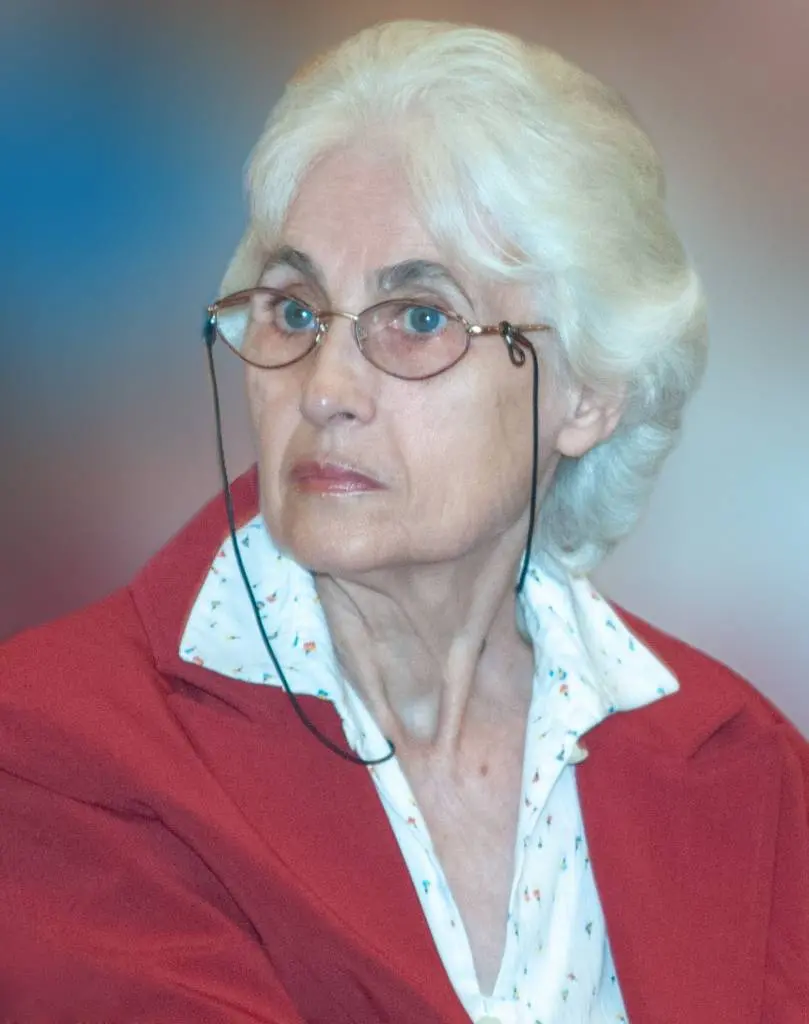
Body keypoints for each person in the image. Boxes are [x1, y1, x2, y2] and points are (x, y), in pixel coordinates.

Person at [1, 19, 806, 1024]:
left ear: (589, 392)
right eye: (294, 312)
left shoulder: (747, 766)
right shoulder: (58, 743)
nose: (325, 388)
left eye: (419, 319)